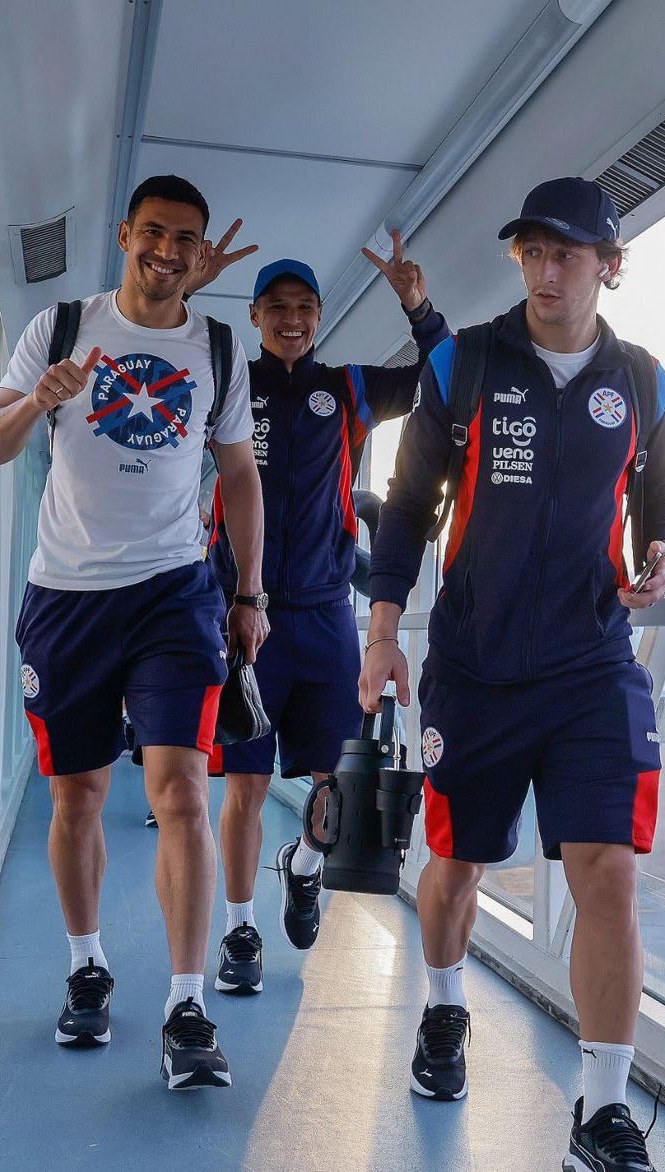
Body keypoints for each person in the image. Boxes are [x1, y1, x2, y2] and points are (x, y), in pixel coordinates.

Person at [360, 177, 665, 1170]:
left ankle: (600, 1109)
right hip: (476, 665)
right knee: (455, 866)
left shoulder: (641, 380)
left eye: (566, 255)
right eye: (531, 253)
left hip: (591, 664)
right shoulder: (464, 363)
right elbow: (408, 503)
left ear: (608, 268)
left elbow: (661, 499)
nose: (546, 272)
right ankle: (446, 1009)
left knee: (610, 874)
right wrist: (382, 634)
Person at [0, 174, 267, 1092]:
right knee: (78, 800)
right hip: (67, 595)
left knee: (180, 790)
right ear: (126, 234)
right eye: (153, 233)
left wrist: (248, 592)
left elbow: (240, 477)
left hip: (176, 593)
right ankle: (87, 964)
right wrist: (39, 397)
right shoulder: (60, 327)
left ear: (201, 250)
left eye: (185, 238)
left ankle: (187, 1008)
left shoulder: (217, 347)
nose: (167, 252)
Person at [180, 233, 449, 994]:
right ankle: (238, 932)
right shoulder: (231, 380)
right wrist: (191, 291)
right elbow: (170, 357)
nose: (292, 321)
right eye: (277, 309)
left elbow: (447, 380)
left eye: (304, 309)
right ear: (256, 315)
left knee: (338, 786)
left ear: (319, 316)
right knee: (247, 787)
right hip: (247, 616)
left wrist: (418, 306)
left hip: (329, 616)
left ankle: (302, 864)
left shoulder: (348, 388)